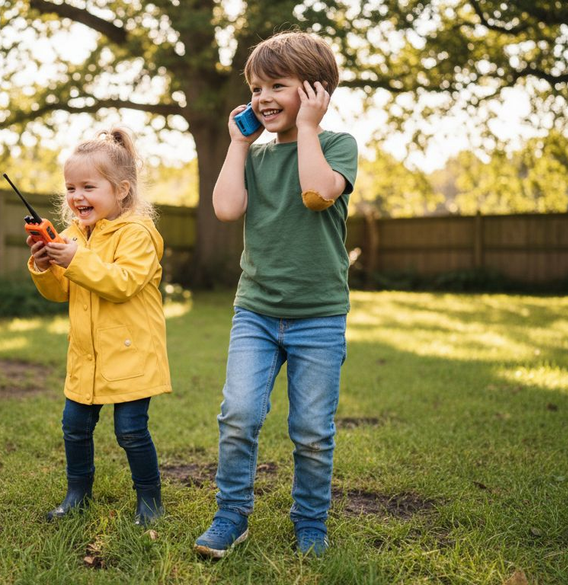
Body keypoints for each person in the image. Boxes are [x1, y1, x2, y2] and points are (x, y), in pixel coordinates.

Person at [193, 31, 359, 558]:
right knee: (239, 413)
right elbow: (225, 209)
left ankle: (310, 520)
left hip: (318, 316)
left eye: (277, 86)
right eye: (256, 87)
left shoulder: (336, 146)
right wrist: (239, 143)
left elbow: (315, 194)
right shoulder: (256, 157)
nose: (262, 97)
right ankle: (231, 514)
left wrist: (308, 127)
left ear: (316, 91)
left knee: (311, 429)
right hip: (257, 312)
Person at [26, 127, 171, 526]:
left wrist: (75, 259)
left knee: (130, 431)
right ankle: (77, 493)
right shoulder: (75, 235)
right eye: (71, 187)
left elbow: (121, 283)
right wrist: (44, 264)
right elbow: (62, 292)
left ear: (122, 190)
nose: (77, 197)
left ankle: (150, 500)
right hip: (87, 357)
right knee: (74, 427)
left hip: (131, 356)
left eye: (88, 186)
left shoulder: (139, 234)